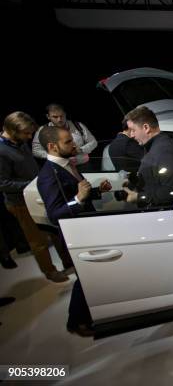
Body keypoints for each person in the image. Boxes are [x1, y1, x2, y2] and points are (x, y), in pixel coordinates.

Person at [36, 125, 112, 336]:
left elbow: (77, 195)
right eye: (68, 141)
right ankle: (77, 322)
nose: (74, 144)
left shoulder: (65, 164)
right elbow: (54, 214)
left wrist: (96, 191)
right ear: (52, 146)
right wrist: (79, 198)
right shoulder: (48, 176)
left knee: (89, 276)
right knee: (86, 277)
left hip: (85, 228)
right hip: (75, 234)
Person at [0, 112, 71, 282]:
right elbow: (3, 183)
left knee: (55, 232)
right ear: (12, 130)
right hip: (20, 202)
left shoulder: (20, 142)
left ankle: (68, 263)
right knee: (37, 240)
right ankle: (50, 272)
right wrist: (34, 185)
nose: (29, 137)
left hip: (39, 196)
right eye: (26, 133)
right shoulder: (1, 151)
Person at [122, 106, 173, 207]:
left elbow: (172, 190)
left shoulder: (164, 151)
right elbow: (155, 177)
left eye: (133, 130)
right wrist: (135, 181)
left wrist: (139, 197)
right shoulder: (153, 146)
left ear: (146, 128)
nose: (131, 135)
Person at [32, 103, 97, 166]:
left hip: (83, 165)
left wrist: (80, 150)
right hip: (58, 167)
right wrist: (57, 156)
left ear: (65, 114)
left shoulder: (78, 126)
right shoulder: (42, 130)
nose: (59, 119)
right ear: (48, 116)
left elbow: (93, 142)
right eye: (55, 117)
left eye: (61, 116)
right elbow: (36, 150)